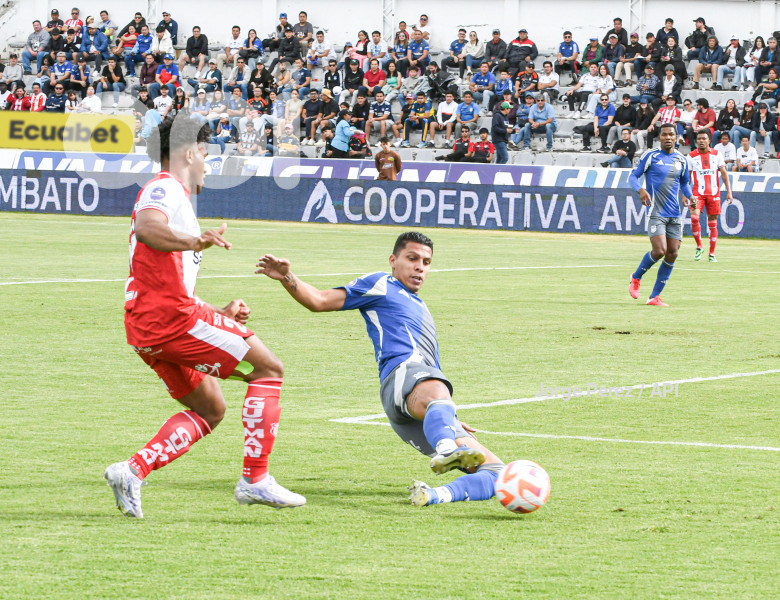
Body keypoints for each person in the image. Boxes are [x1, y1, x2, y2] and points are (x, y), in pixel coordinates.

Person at [104, 116, 305, 519]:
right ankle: (255, 479)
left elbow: (169, 282)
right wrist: (195, 241)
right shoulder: (165, 188)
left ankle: (133, 471)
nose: (208, 164)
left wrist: (219, 313)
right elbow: (147, 228)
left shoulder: (175, 198)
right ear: (189, 152)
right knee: (268, 369)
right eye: (206, 154)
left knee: (211, 408)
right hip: (169, 321)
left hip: (152, 324)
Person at [256, 232, 504, 507]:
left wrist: (447, 415)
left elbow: (433, 376)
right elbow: (320, 300)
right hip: (401, 379)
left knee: (498, 473)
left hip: (421, 399)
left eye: (426, 261)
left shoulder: (419, 306)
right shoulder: (382, 284)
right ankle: (447, 450)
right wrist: (288, 278)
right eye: (412, 258)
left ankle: (432, 495)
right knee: (439, 395)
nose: (420, 266)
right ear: (393, 260)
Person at [628, 122, 692, 307]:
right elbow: (633, 176)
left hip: (675, 213)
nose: (668, 138)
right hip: (656, 211)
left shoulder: (682, 160)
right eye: (664, 135)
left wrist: (690, 196)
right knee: (660, 251)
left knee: (672, 253)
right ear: (659, 137)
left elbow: (685, 184)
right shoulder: (651, 155)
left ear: (676, 137)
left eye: (671, 134)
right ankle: (636, 276)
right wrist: (640, 190)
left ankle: (654, 297)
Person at [687, 130, 734, 262]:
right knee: (694, 217)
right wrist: (686, 194)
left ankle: (712, 253)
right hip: (697, 193)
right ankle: (699, 246)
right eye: (699, 139)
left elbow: (724, 174)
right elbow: (687, 178)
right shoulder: (691, 156)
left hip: (714, 193)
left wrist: (729, 192)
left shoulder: (717, 154)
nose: (701, 141)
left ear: (709, 140)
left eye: (704, 138)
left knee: (712, 223)